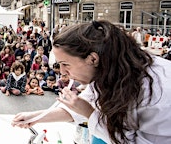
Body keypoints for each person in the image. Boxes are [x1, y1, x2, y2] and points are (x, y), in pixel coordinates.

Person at [12, 20, 171, 144]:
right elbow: (81, 107)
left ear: (92, 58)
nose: (62, 72)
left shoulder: (157, 92)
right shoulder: (107, 70)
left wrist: (88, 112)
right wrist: (35, 117)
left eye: (66, 64)